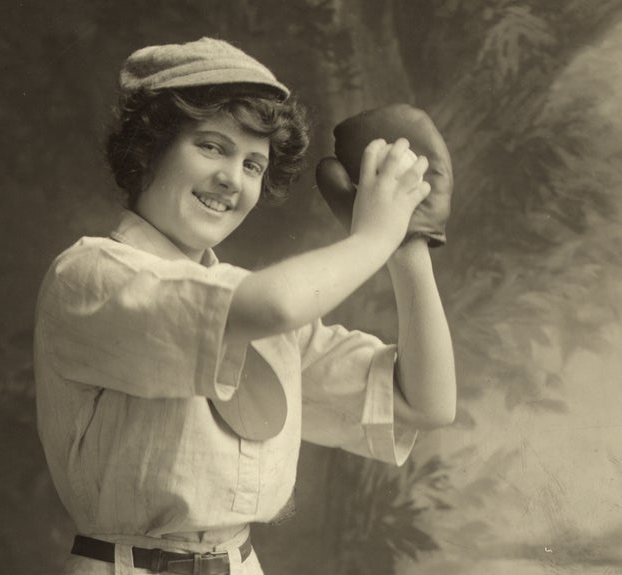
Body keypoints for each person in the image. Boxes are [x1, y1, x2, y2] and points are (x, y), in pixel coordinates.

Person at [34, 37, 456, 575]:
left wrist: (407, 245)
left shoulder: (265, 315)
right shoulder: (90, 277)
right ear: (150, 147)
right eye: (211, 146)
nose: (233, 179)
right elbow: (271, 305)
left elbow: (427, 403)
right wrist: (374, 235)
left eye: (254, 164)